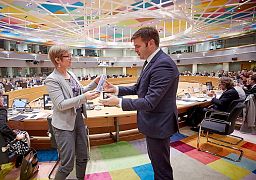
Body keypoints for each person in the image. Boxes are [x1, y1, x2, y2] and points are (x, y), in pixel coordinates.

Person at [100, 27, 179, 180]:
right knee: (157, 163)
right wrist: (115, 89)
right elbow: (138, 88)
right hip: (154, 124)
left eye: (137, 46)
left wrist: (119, 102)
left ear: (150, 43)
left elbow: (150, 102)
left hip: (159, 124)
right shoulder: (151, 62)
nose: (135, 50)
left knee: (162, 169)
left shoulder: (163, 64)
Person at [44, 45, 100, 180]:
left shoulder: (71, 74)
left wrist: (94, 83)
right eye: (67, 56)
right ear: (57, 60)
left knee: (83, 157)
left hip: (78, 120)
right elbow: (61, 104)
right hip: (64, 125)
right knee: (67, 165)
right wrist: (84, 98)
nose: (71, 58)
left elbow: (80, 91)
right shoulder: (52, 79)